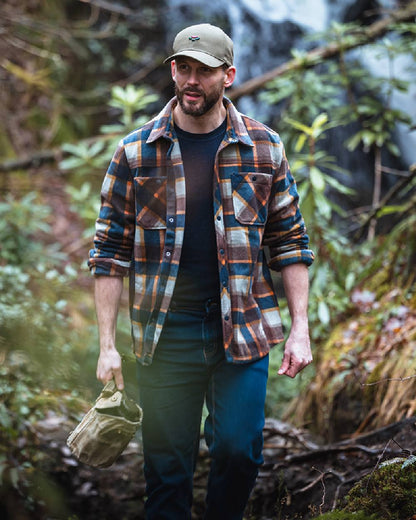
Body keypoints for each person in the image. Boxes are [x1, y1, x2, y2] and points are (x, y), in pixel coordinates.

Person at [89, 23, 314, 520]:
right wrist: (107, 345)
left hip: (245, 326)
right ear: (172, 69)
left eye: (204, 72)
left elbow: (290, 241)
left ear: (228, 75)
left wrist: (300, 329)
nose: (191, 80)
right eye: (182, 68)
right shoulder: (134, 153)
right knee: (166, 476)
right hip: (167, 333)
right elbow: (108, 252)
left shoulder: (264, 148)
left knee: (238, 451)